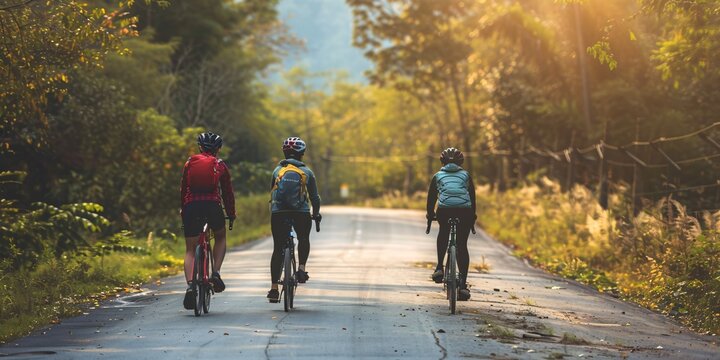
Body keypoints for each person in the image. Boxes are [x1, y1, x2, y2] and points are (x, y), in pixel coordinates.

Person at [180, 132, 236, 310]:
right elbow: (227, 192)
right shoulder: (220, 165)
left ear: (200, 147)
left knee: (190, 249)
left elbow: (183, 188)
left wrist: (184, 210)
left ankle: (190, 285)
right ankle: (216, 273)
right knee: (220, 236)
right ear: (218, 149)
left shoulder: (190, 162)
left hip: (191, 206)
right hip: (212, 205)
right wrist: (231, 214)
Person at [267, 137, 321, 303]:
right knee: (303, 237)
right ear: (302, 154)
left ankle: (274, 288)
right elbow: (314, 197)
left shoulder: (277, 171)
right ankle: (302, 269)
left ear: (284, 152)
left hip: (279, 213)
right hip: (301, 212)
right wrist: (316, 214)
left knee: (278, 248)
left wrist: (275, 211)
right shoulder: (308, 172)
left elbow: (272, 193)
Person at [426, 147, 476, 301]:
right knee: (462, 245)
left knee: (443, 232)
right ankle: (462, 286)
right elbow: (472, 198)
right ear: (461, 162)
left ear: (442, 161)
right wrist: (472, 216)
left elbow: (431, 199)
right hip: (464, 211)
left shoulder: (437, 176)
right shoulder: (466, 175)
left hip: (445, 210)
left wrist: (430, 215)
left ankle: (440, 267)